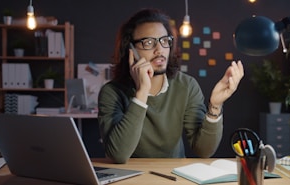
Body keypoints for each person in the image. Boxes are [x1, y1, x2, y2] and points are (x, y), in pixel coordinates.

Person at [98, 8, 244, 164]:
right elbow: (118, 155)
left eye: (164, 41)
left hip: (173, 175)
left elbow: (204, 150)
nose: (159, 50)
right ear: (130, 50)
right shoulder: (111, 92)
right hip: (130, 176)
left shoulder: (186, 86)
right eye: (148, 42)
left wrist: (215, 105)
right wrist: (141, 94)